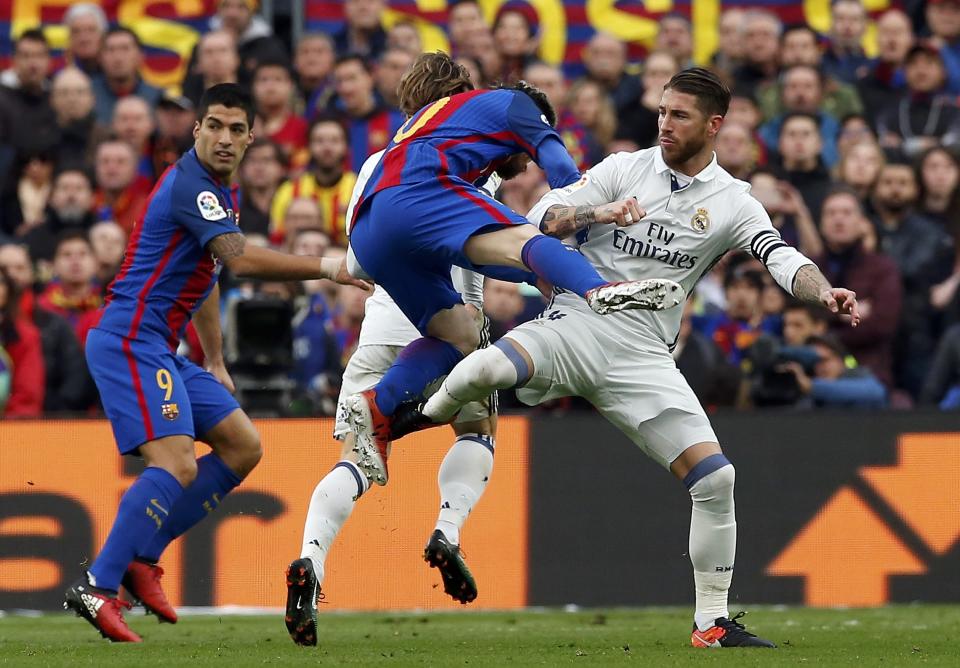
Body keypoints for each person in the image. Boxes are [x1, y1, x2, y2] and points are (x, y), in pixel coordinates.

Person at [399, 68, 861, 649]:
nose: (665, 124)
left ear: (715, 126)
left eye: (680, 115)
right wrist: (601, 212)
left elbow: (779, 255)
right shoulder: (623, 168)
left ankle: (711, 625)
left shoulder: (733, 202)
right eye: (663, 111)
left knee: (717, 479)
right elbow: (541, 218)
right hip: (578, 322)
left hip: (644, 356)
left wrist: (825, 292)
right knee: (489, 368)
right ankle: (423, 415)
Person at [62, 83, 369, 643]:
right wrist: (329, 266)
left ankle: (141, 559)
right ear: (197, 129)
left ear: (252, 137)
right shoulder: (191, 186)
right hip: (130, 339)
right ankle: (98, 584)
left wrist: (216, 358)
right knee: (177, 463)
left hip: (163, 347)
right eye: (214, 126)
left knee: (242, 445)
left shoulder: (218, 195)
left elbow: (207, 273)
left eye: (235, 129)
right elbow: (238, 260)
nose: (224, 138)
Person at [345, 52, 683, 486]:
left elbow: (498, 258)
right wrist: (590, 215)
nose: (523, 166)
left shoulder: (432, 127)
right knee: (528, 239)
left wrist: (541, 277)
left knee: (461, 333)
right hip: (416, 192)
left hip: (369, 233)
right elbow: (562, 171)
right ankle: (601, 290)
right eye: (524, 151)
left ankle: (376, 406)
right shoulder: (513, 105)